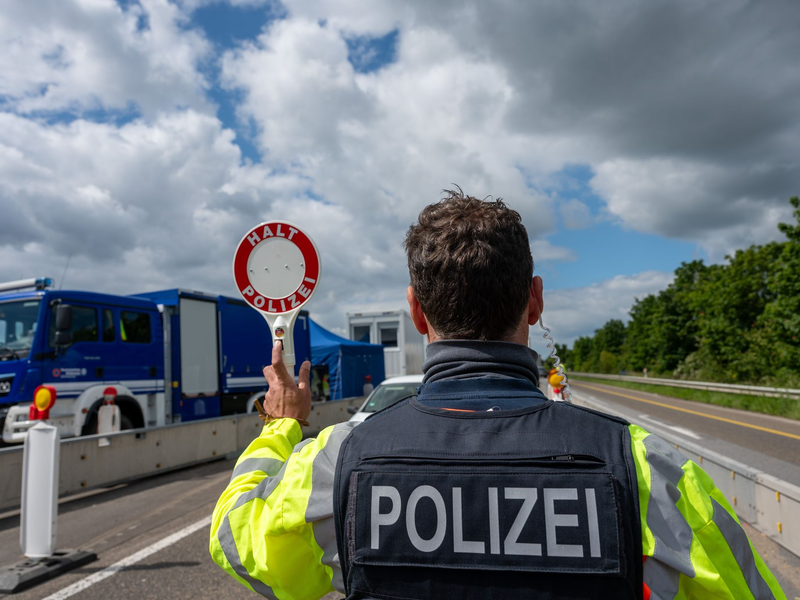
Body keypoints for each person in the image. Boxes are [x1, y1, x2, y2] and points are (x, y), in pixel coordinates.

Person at [210, 190, 785, 600]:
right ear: (535, 301)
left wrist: (279, 426)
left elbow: (237, 541)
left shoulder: (342, 464)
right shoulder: (647, 470)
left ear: (415, 310)